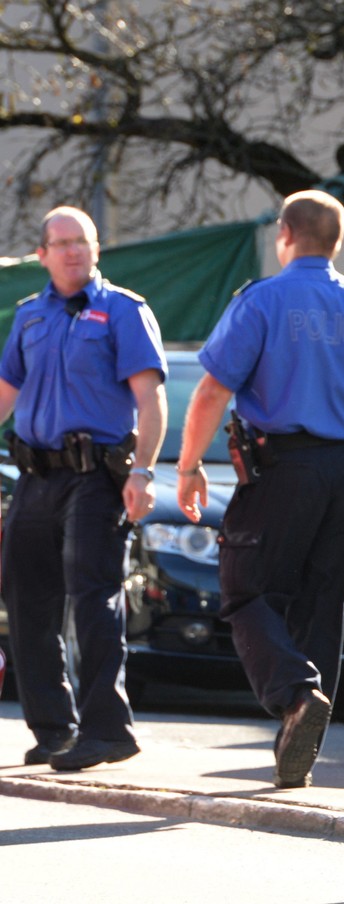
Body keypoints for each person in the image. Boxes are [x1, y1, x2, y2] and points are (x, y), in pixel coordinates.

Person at [174, 189, 344, 789]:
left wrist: (186, 468)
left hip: (285, 469)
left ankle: (294, 694)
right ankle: (298, 750)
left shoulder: (264, 300)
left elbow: (211, 391)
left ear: (284, 232)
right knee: (321, 605)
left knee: (243, 585)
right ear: (335, 240)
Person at [0, 206, 167, 771]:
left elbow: (150, 400)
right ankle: (53, 728)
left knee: (93, 598)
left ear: (97, 249)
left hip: (96, 477)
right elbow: (4, 392)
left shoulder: (123, 310)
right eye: (61, 243)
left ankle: (107, 731)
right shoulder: (28, 317)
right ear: (42, 254)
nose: (73, 251)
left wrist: (143, 472)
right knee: (26, 602)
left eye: (82, 241)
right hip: (35, 476)